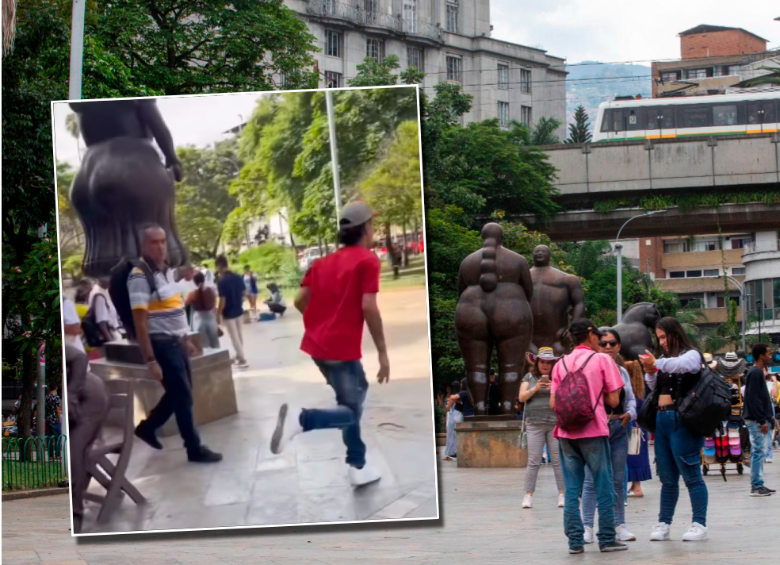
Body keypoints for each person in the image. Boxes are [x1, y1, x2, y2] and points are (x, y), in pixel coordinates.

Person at [269, 201, 389, 487]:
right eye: (371, 225)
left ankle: (358, 464)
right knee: (350, 410)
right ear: (364, 230)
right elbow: (369, 306)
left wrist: (320, 322)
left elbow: (300, 301)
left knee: (351, 402)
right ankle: (302, 420)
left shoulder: (320, 263)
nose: (374, 229)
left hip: (317, 348)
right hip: (340, 350)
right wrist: (383, 353)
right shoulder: (366, 260)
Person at [130, 224, 222, 464]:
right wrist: (150, 359)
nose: (160, 247)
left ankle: (147, 427)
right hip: (161, 345)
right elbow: (140, 322)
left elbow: (175, 310)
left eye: (162, 241)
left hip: (176, 343)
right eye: (154, 242)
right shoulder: (140, 277)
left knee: (180, 393)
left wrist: (185, 339)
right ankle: (194, 448)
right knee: (183, 398)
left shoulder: (167, 273)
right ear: (143, 246)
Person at [550, 319, 626, 554]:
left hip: (565, 432)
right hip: (593, 430)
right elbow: (614, 400)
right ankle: (606, 538)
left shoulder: (560, 364)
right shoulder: (602, 360)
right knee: (603, 485)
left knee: (572, 489)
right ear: (591, 335)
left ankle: (575, 541)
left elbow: (554, 403)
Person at [640, 316, 709, 541]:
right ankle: (663, 522)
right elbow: (653, 387)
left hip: (683, 421)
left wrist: (656, 364)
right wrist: (650, 371)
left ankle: (699, 523)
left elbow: (684, 366)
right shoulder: (665, 359)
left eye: (663, 337)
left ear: (674, 333)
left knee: (691, 474)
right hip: (661, 421)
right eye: (658, 338)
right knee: (667, 478)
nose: (661, 342)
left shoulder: (691, 355)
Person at [582, 329, 637, 544]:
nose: (608, 347)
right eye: (603, 343)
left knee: (617, 480)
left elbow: (631, 398)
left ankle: (618, 524)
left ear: (619, 346)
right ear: (596, 345)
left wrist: (630, 414)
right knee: (590, 481)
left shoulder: (622, 372)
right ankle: (587, 525)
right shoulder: (589, 368)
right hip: (594, 429)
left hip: (618, 428)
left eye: (612, 343)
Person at [65, 343, 109, 534]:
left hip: (90, 398)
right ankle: (75, 500)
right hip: (78, 395)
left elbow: (80, 358)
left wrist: (72, 395)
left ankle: (75, 514)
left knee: (75, 451)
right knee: (75, 454)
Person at [518, 347, 564, 509]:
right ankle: (528, 495)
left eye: (548, 363)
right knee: (533, 461)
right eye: (542, 362)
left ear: (553, 364)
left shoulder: (558, 378)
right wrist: (536, 388)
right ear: (537, 362)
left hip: (554, 423)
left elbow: (566, 398)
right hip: (534, 423)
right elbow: (521, 397)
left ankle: (562, 494)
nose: (545, 365)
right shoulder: (529, 377)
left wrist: (554, 389)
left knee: (558, 461)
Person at [742, 343, 776, 496]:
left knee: (759, 451)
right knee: (758, 451)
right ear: (761, 356)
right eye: (768, 353)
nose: (771, 356)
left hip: (758, 419)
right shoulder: (755, 373)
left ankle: (758, 483)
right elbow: (754, 399)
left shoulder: (756, 372)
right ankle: (756, 485)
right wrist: (762, 420)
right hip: (756, 420)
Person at [216, 255, 249, 369]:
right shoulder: (238, 277)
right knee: (239, 335)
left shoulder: (221, 281)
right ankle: (239, 356)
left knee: (234, 337)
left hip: (229, 313)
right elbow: (245, 293)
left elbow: (223, 300)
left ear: (219, 266)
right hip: (239, 310)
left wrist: (219, 313)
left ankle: (243, 359)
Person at [626, 359, 651, 497]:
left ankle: (635, 487)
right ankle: (636, 485)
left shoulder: (630, 391)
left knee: (629, 456)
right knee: (637, 455)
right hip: (641, 428)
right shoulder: (641, 390)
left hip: (632, 427)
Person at [185, 272, 220, 349]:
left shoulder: (192, 293)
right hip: (211, 316)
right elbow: (214, 304)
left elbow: (184, 305)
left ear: (194, 281)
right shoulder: (211, 290)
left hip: (199, 318)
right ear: (204, 279)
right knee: (215, 341)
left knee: (203, 343)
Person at [88, 278, 121, 343]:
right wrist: (112, 343)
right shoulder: (99, 295)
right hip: (109, 335)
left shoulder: (103, 291)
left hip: (113, 332)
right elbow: (101, 323)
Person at [443, 380, 465, 461]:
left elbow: (448, 408)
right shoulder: (462, 395)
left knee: (451, 434)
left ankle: (450, 453)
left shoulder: (454, 396)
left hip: (454, 414)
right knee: (456, 434)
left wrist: (445, 408)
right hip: (461, 415)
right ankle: (454, 451)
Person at [45, 383, 62, 459]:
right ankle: (58, 454)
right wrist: (59, 419)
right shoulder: (56, 397)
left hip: (48, 419)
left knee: (49, 438)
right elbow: (57, 409)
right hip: (55, 419)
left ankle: (51, 455)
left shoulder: (46, 397)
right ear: (56, 388)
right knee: (58, 438)